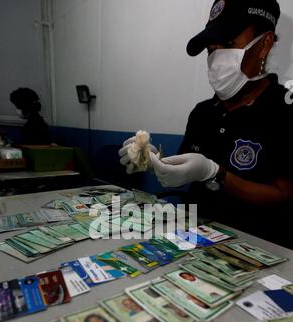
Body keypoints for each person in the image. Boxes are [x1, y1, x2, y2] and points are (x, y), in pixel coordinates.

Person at [119, 0, 293, 249]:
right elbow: (181, 171)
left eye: (229, 45)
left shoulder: (285, 109)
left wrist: (216, 174)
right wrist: (154, 160)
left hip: (260, 252)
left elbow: (285, 198)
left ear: (265, 43)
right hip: (196, 243)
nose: (216, 59)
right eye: (211, 50)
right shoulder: (203, 113)